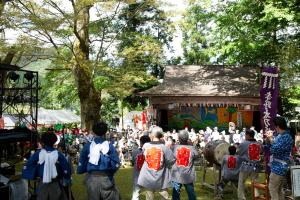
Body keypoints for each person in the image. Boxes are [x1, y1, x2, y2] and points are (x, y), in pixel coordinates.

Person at [77, 121, 120, 200]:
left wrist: (82, 170)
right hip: (106, 178)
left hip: (92, 178)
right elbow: (116, 164)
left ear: (93, 132)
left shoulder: (87, 146)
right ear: (105, 132)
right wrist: (110, 173)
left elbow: (82, 164)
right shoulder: (110, 146)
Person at [22, 132, 71, 200]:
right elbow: (66, 168)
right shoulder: (58, 154)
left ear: (42, 142)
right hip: (55, 182)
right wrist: (66, 176)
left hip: (42, 183)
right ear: (55, 141)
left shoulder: (38, 153)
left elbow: (29, 164)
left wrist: (34, 174)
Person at [137, 126, 176, 200]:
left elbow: (144, 157)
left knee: (149, 197)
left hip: (148, 176)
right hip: (162, 177)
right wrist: (166, 164)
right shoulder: (164, 148)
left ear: (152, 135)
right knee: (164, 196)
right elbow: (171, 161)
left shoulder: (146, 146)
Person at [266, 116, 293, 200]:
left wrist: (270, 139)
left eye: (275, 126)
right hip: (280, 166)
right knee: (279, 190)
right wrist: (270, 140)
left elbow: (274, 149)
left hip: (279, 167)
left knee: (272, 189)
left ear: (277, 126)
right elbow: (274, 146)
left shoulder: (285, 137)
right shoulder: (282, 136)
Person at [171, 130, 199, 200]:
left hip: (176, 176)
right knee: (191, 194)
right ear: (187, 138)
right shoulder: (192, 148)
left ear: (179, 138)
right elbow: (197, 157)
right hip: (188, 176)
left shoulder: (174, 148)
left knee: (175, 195)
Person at [237, 129, 261, 200]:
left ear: (247, 135)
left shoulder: (243, 144)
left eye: (245, 135)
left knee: (241, 182)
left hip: (245, 166)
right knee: (255, 182)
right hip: (255, 166)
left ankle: (241, 197)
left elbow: (239, 153)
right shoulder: (259, 144)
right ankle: (256, 196)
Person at [131, 135, 151, 200]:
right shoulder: (152, 151)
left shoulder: (135, 151)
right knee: (149, 194)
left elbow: (133, 161)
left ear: (140, 142)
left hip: (138, 175)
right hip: (149, 175)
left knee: (136, 193)